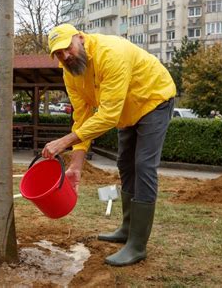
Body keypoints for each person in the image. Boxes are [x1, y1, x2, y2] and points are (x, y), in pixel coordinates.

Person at [43, 24, 176, 267]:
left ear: (80, 39)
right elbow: (82, 116)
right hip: (127, 111)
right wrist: (76, 164)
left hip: (153, 99)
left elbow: (108, 116)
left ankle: (137, 245)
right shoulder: (69, 72)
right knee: (125, 164)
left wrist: (64, 141)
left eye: (67, 48)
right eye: (58, 54)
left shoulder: (110, 53)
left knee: (143, 165)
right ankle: (127, 229)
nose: (65, 56)